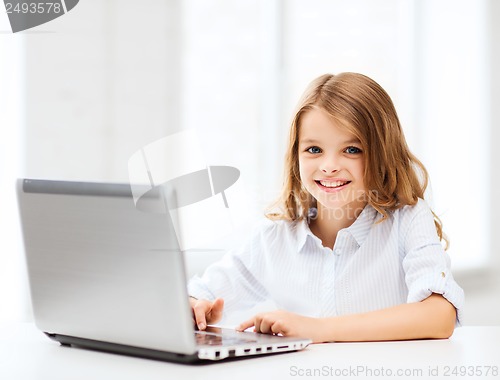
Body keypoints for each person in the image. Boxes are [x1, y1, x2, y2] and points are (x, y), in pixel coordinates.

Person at [188, 72, 464, 343]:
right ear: (296, 154)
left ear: (383, 153)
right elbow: (200, 293)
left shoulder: (408, 220)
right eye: (314, 150)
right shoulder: (273, 240)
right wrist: (195, 306)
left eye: (352, 149)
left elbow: (438, 317)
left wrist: (319, 329)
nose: (329, 165)